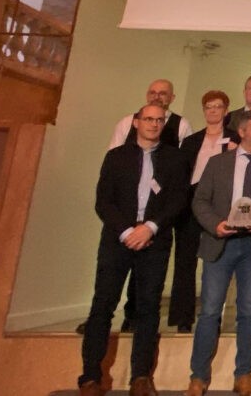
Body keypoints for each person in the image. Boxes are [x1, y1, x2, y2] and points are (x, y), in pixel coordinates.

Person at [77, 103, 189, 396]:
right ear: (136, 122)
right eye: (148, 119)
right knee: (103, 305)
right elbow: (103, 201)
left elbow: (177, 200)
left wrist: (149, 227)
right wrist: (128, 231)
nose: (154, 124)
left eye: (159, 120)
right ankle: (90, 377)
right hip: (118, 239)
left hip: (155, 240)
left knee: (148, 308)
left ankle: (140, 377)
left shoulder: (175, 159)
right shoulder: (116, 157)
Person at [186, 108, 251, 396]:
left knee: (247, 312)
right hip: (220, 243)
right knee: (209, 312)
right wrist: (215, 225)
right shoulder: (218, 164)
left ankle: (243, 374)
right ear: (242, 132)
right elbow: (200, 201)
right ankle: (198, 376)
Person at [172, 90, 239, 332]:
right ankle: (183, 318)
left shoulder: (235, 139)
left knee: (216, 259)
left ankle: (214, 314)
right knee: (185, 260)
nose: (213, 111)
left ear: (226, 110)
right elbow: (181, 175)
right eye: (208, 106)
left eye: (218, 106)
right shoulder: (191, 141)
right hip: (191, 203)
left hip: (220, 205)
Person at [109, 78, 194, 149]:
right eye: (152, 93)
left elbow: (185, 160)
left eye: (162, 94)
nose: (156, 97)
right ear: (147, 96)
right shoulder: (127, 122)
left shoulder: (183, 125)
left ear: (172, 98)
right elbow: (113, 155)